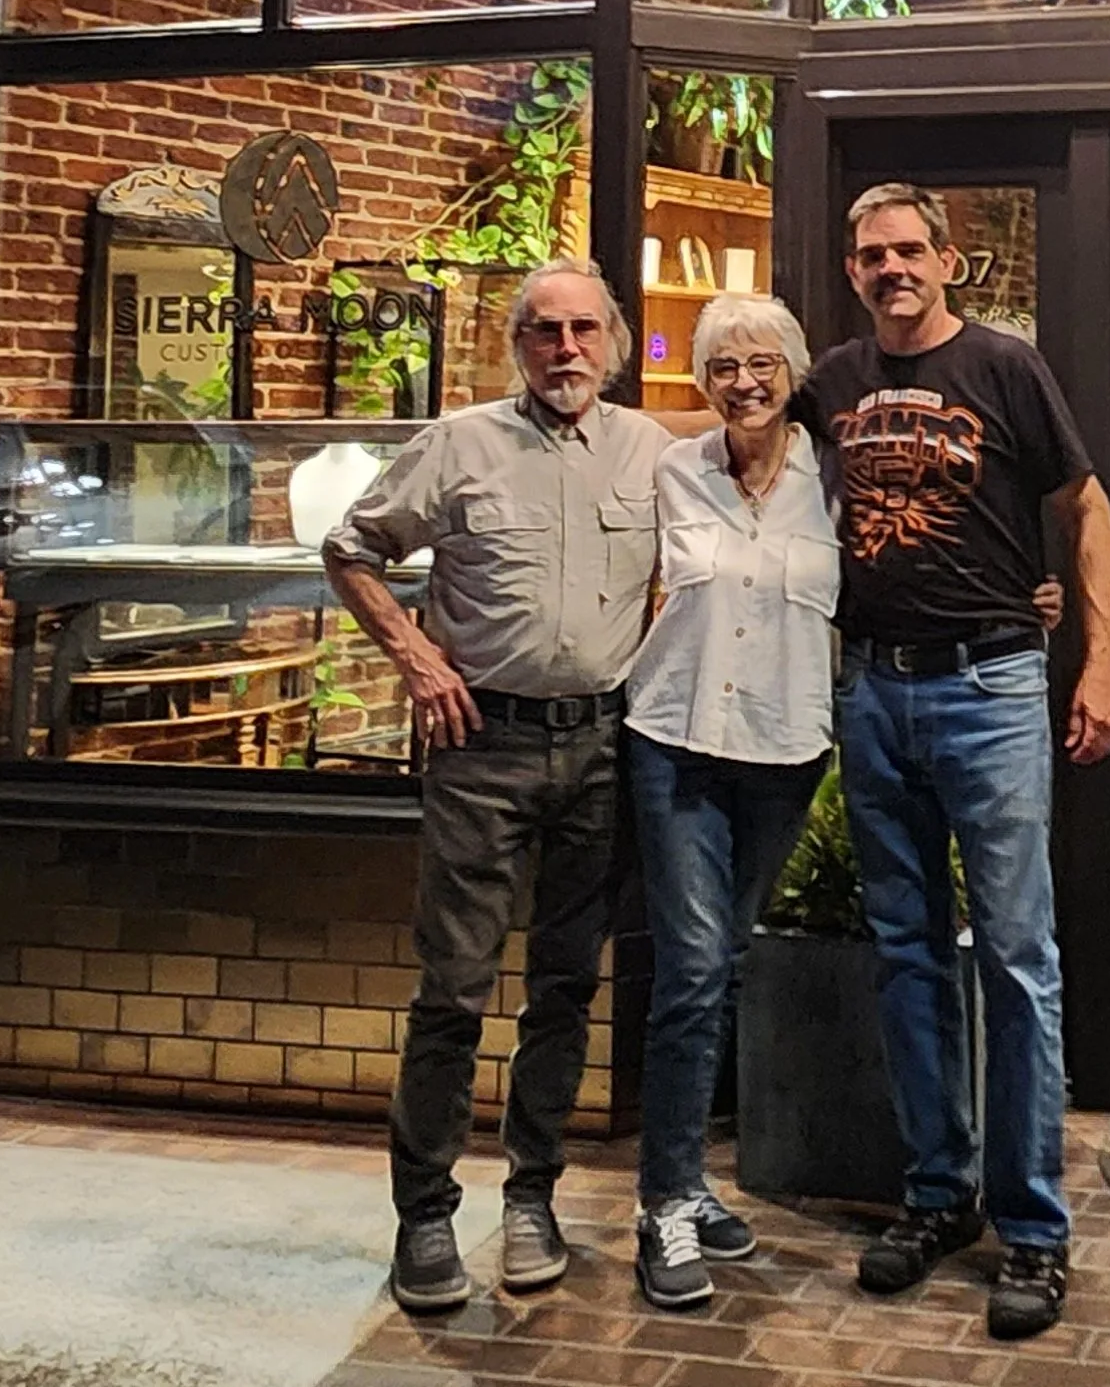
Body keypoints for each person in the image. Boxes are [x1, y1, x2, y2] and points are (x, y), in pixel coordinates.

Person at [324, 263, 667, 1318]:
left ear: (613, 342)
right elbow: (350, 547)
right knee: (454, 990)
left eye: (583, 330)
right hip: (484, 747)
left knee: (565, 987)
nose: (566, 349)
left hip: (605, 749)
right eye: (544, 331)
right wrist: (418, 660)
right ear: (516, 345)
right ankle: (425, 1214)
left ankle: (531, 1199)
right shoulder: (459, 443)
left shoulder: (652, 451)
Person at [814, 182, 1110, 1346]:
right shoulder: (833, 382)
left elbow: (1083, 507)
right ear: (852, 270)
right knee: (906, 953)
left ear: (948, 260)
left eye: (909, 250)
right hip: (872, 688)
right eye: (871, 254)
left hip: (989, 685)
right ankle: (936, 1196)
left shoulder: (1003, 366)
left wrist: (1096, 662)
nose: (891, 268)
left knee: (1016, 957)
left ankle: (1032, 1228)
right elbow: (748, 451)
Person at [623, 290, 839, 1315]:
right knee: (694, 966)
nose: (743, 382)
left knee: (729, 961)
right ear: (701, 378)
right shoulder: (673, 470)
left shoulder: (835, 479)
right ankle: (664, 1201)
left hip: (785, 747)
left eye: (761, 363)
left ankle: (692, 1180)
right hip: (675, 740)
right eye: (722, 365)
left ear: (793, 372)